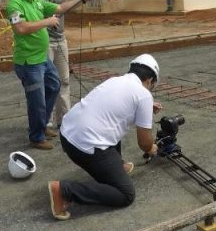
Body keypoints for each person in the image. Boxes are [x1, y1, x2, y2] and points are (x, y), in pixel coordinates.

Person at [47, 55, 162, 219]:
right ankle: (64, 191)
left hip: (67, 134)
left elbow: (117, 106)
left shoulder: (115, 80)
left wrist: (146, 106)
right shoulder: (143, 94)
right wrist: (152, 148)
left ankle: (117, 166)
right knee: (125, 194)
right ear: (150, 80)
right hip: (85, 147)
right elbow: (144, 143)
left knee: (112, 122)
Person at [7, 0, 86, 150]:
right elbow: (20, 28)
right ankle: (36, 136)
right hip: (28, 62)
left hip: (41, 58)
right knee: (36, 100)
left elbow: (59, 8)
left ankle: (41, 125)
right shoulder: (14, 5)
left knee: (54, 85)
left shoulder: (36, 1)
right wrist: (47, 22)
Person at [34, 0, 102, 131]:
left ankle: (64, 118)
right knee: (46, 82)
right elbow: (54, 10)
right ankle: (45, 120)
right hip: (44, 41)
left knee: (63, 80)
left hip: (60, 40)